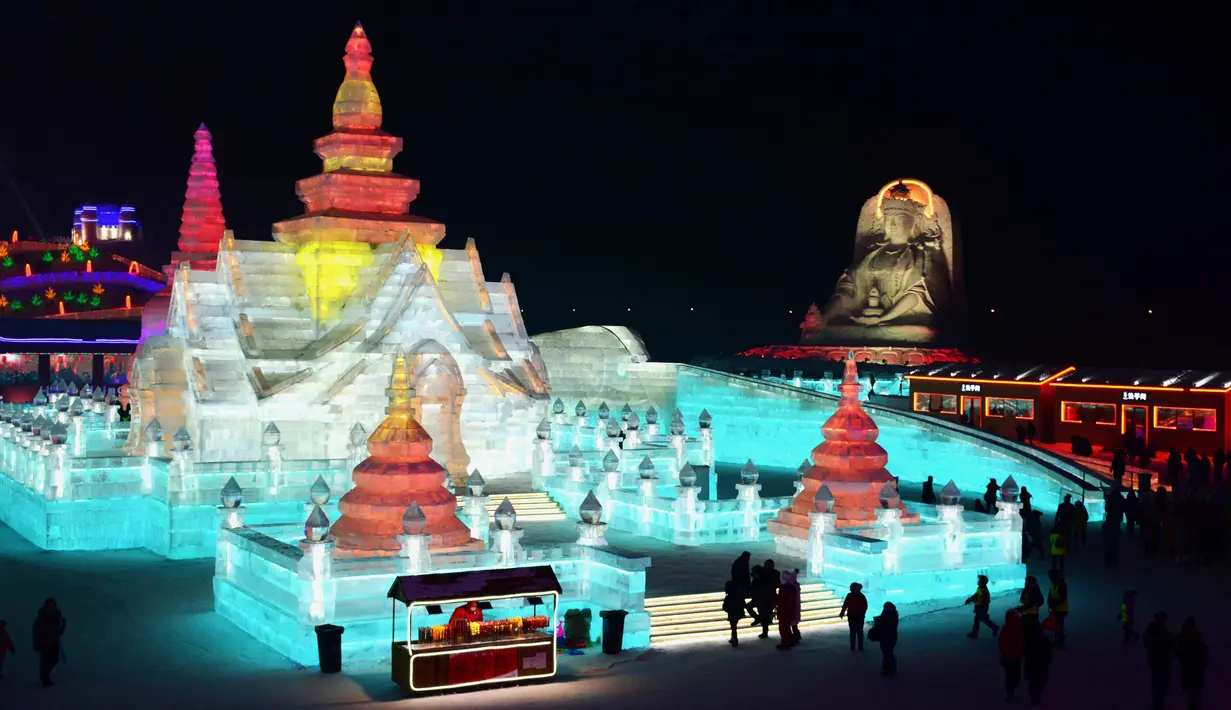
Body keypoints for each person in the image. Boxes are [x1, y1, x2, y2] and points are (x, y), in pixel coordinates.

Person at [1143, 612, 1174, 710]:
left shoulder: (1157, 629)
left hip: (1160, 660)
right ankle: (1158, 704)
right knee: (1159, 683)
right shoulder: (1155, 630)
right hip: (1159, 661)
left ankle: (1159, 703)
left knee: (1161, 683)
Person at [1176, 617, 1208, 710]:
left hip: (1190, 670)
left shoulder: (1183, 638)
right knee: (1194, 695)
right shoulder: (1195, 638)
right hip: (1195, 670)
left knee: (1192, 695)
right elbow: (1204, 653)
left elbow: (1180, 654)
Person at [32, 599, 66, 687]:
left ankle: (45, 676)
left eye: (54, 605)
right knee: (45, 661)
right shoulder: (42, 617)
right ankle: (44, 679)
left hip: (54, 642)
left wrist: (63, 627)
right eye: (50, 605)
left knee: (54, 659)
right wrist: (37, 643)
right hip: (44, 643)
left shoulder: (56, 616)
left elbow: (56, 631)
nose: (52, 607)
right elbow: (36, 631)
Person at [1023, 625, 1053, 707]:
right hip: (1040, 665)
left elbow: (1025, 653)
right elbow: (1049, 653)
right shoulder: (1044, 641)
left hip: (1033, 664)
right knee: (1040, 681)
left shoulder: (1029, 641)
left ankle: (1034, 696)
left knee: (1035, 682)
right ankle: (1035, 696)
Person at [999, 609, 1024, 702]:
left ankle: (1010, 692)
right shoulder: (1018, 627)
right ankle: (1010, 692)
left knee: (1010, 676)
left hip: (1010, 657)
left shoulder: (1007, 628)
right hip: (1013, 657)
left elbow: (1001, 644)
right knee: (1015, 677)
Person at [965, 574, 1000, 639]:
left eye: (979, 580)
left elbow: (980, 601)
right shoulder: (980, 588)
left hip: (982, 608)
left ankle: (975, 633)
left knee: (979, 619)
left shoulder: (983, 590)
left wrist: (971, 600)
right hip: (981, 608)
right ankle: (994, 627)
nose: (978, 581)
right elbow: (976, 595)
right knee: (981, 619)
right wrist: (969, 599)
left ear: (982, 582)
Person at [775, 570, 801, 650]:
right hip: (789, 612)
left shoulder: (785, 588)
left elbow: (782, 601)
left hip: (784, 612)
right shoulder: (793, 587)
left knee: (783, 628)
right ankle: (789, 641)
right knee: (786, 628)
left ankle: (786, 642)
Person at [839, 582, 868, 651]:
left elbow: (845, 605)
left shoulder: (850, 596)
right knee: (859, 632)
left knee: (853, 632)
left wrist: (842, 612)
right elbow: (865, 607)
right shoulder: (862, 596)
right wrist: (862, 614)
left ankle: (853, 646)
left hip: (853, 616)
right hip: (858, 617)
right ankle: (859, 646)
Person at [872, 602, 899, 676]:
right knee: (887, 652)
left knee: (888, 653)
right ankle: (888, 668)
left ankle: (889, 669)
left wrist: (879, 622)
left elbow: (889, 625)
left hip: (888, 636)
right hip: (886, 636)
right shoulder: (890, 613)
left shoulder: (890, 614)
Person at [748, 565, 774, 639]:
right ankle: (758, 619)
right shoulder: (758, 579)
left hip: (762, 600)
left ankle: (763, 629)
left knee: (763, 616)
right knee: (750, 608)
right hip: (759, 599)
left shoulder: (762, 580)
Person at [1046, 569, 1068, 648]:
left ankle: (1059, 642)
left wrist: (1053, 604)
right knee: (1057, 625)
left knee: (1059, 626)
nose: (1050, 578)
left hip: (1061, 609)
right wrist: (1050, 604)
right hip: (1056, 609)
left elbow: (1062, 598)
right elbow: (1051, 595)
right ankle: (1058, 640)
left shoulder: (1061, 585)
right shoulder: (1054, 584)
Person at [722, 580, 745, 647]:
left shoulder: (728, 597)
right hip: (738, 613)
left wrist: (728, 610)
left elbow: (724, 606)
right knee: (734, 626)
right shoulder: (739, 596)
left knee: (733, 627)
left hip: (732, 613)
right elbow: (743, 604)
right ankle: (733, 638)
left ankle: (734, 639)